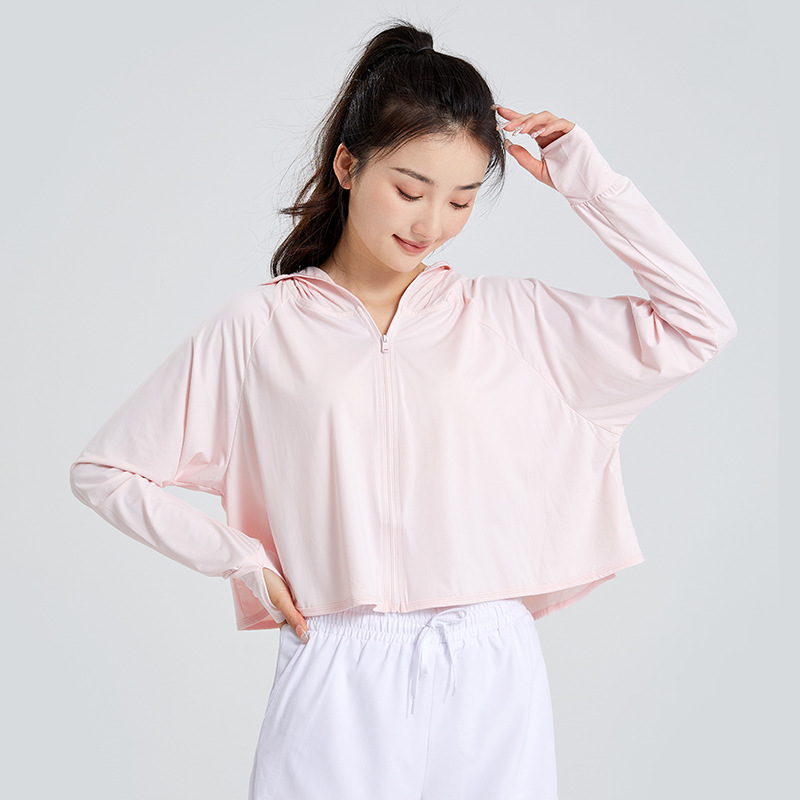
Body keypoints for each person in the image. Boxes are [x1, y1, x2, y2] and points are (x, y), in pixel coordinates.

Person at [68, 19, 737, 800]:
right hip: (338, 660)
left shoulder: (507, 319)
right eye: (411, 190)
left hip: (489, 664)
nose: (431, 224)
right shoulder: (258, 327)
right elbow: (106, 471)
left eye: (461, 200)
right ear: (348, 165)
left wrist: (593, 186)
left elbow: (700, 325)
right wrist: (240, 558)